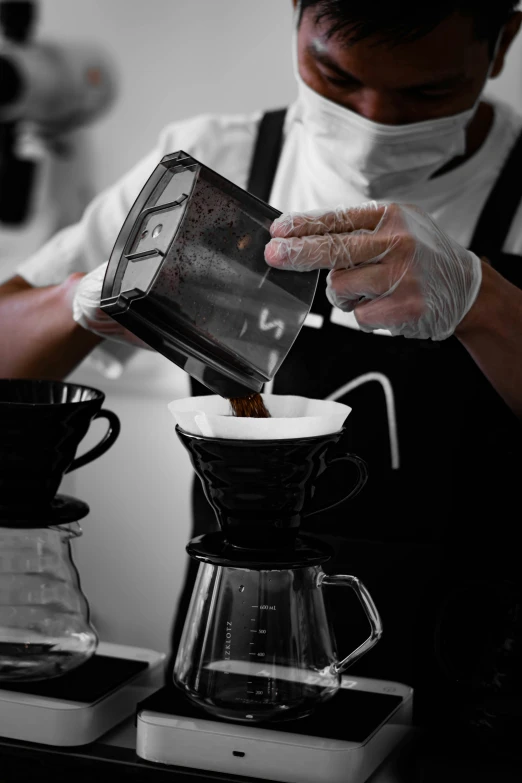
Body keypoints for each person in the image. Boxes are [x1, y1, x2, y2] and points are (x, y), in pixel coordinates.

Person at [1, 0, 522, 749]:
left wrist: (484, 300)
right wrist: (82, 299)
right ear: (296, 15)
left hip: (482, 688)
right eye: (335, 78)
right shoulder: (214, 162)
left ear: (501, 41)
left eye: (424, 95)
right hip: (231, 651)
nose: (374, 123)